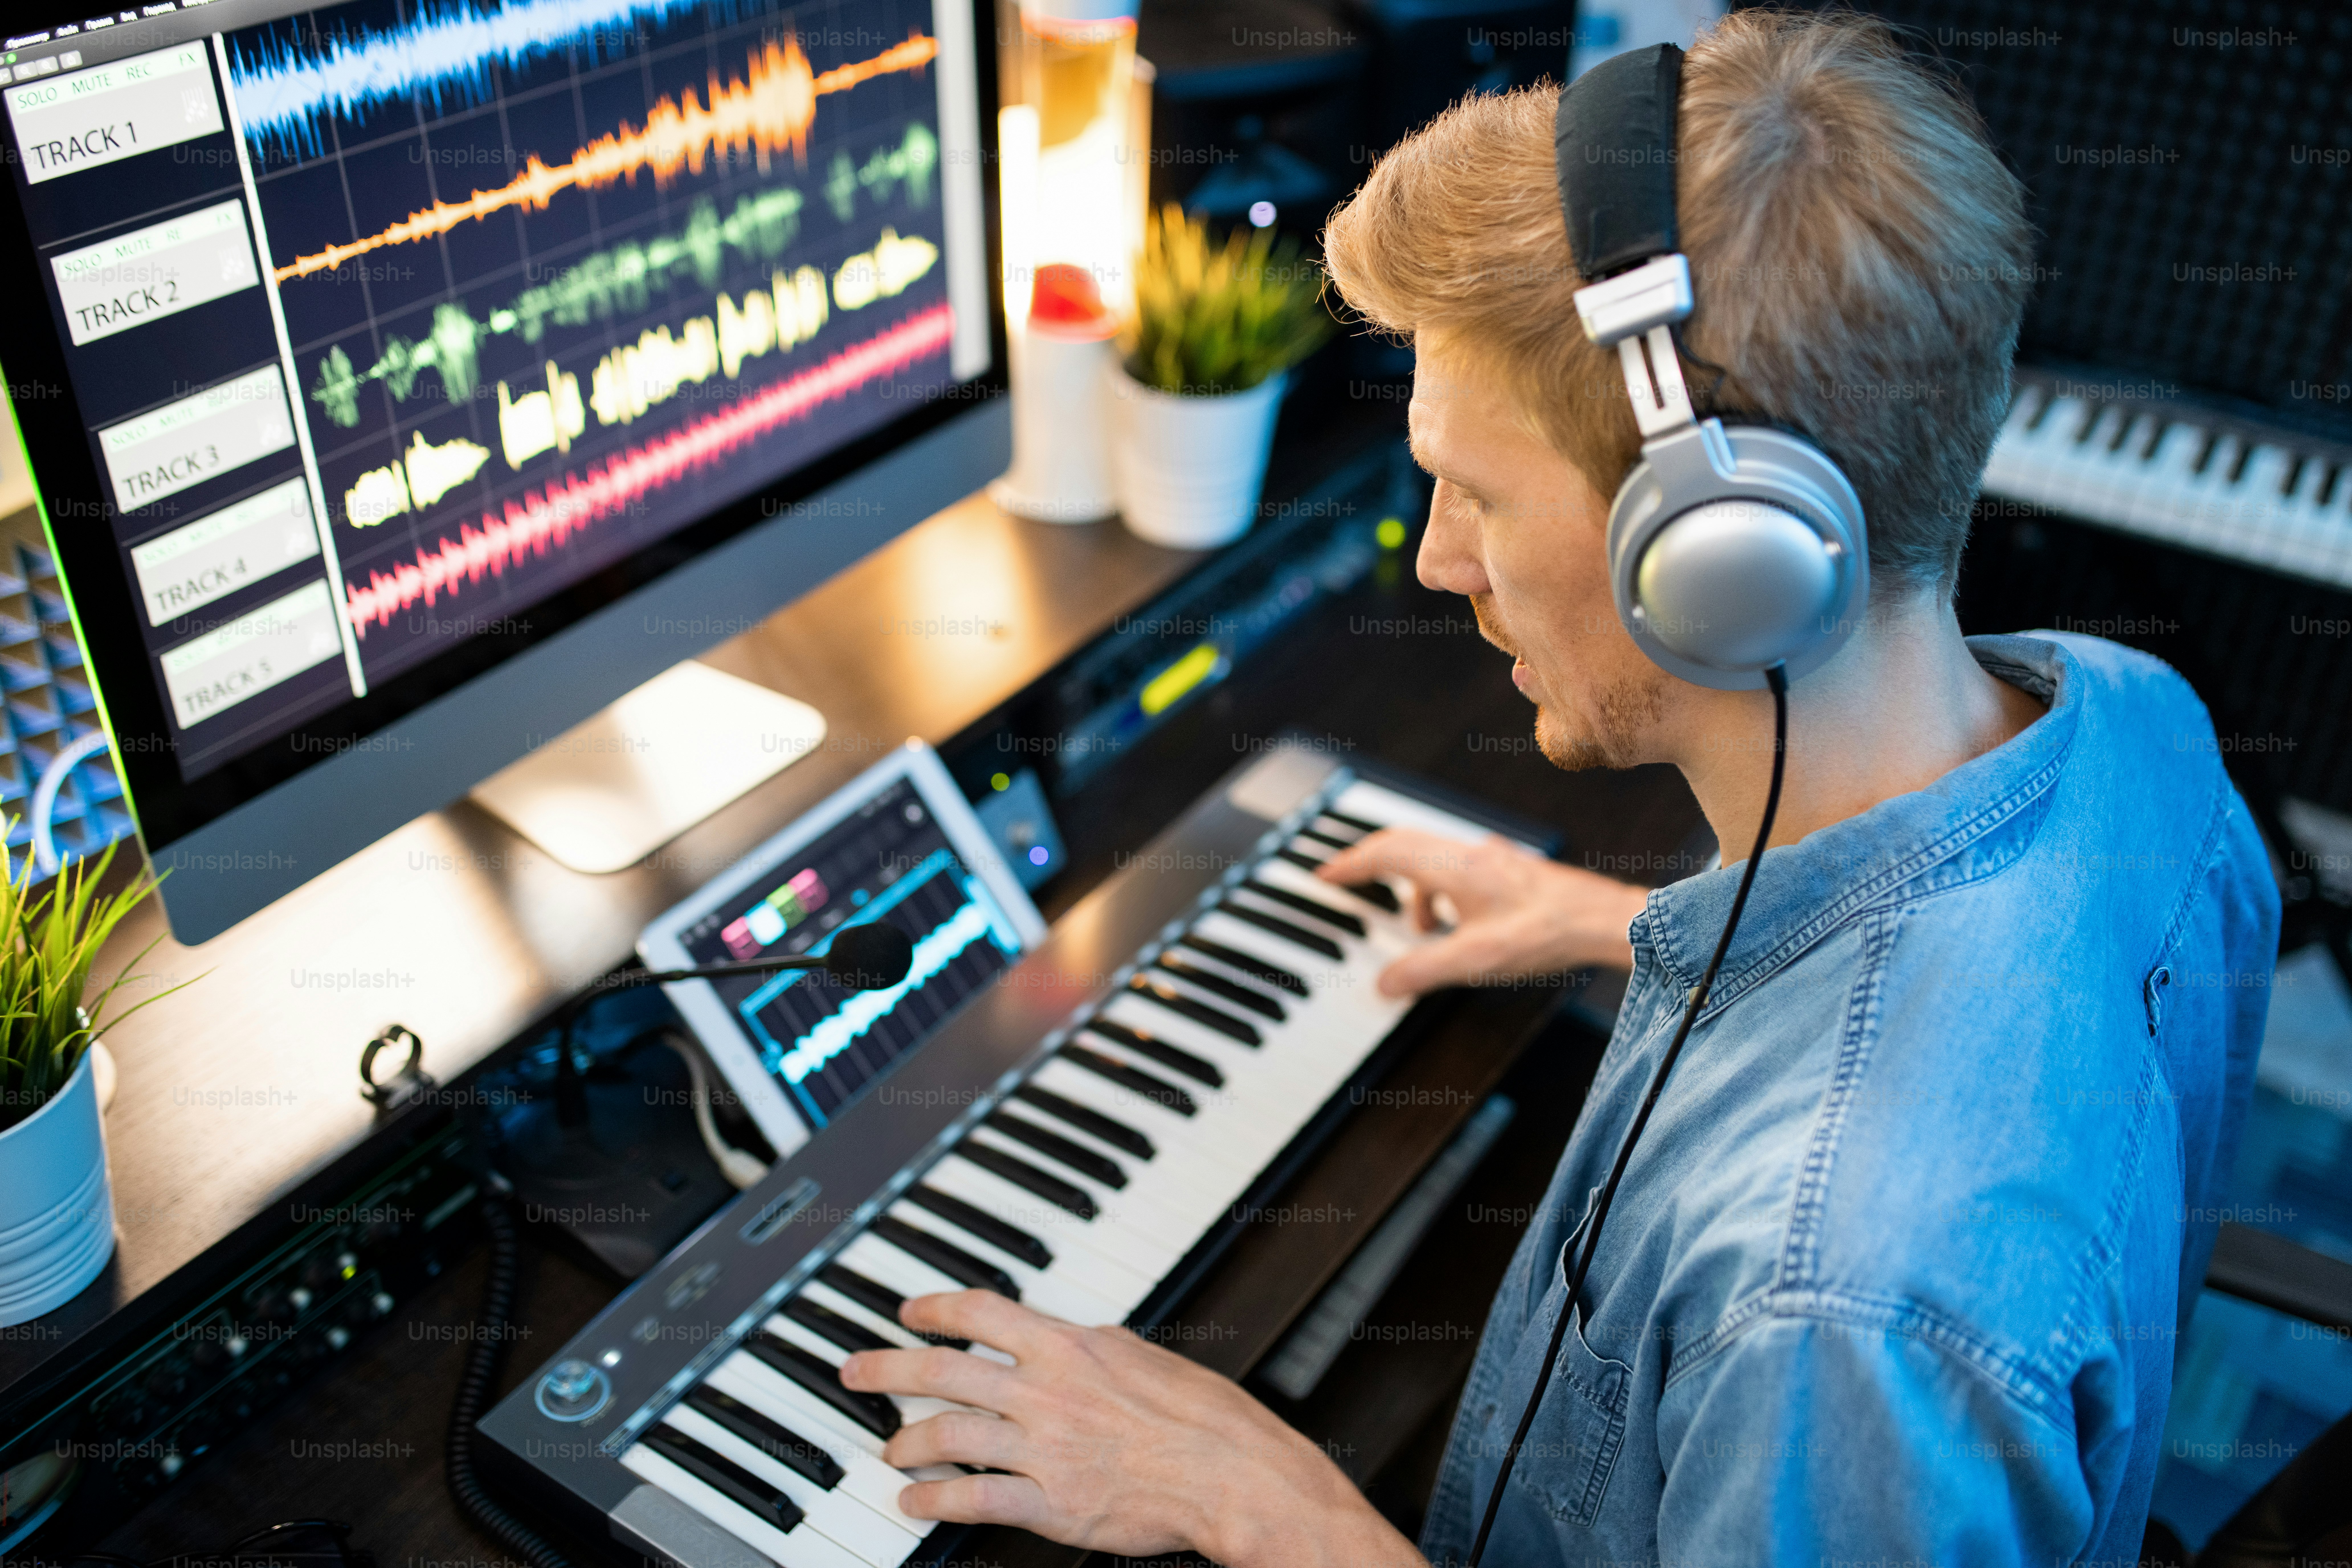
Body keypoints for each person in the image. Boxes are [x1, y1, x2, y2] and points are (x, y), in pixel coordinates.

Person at [838, 11, 2280, 1563]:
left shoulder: (1831, 1319)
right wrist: (1608, 917)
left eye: (1475, 490)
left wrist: (1275, 1508)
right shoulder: (2128, 716)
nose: (1438, 556)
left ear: (1721, 564)